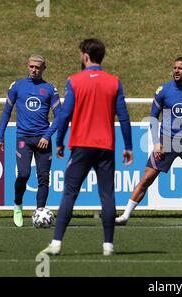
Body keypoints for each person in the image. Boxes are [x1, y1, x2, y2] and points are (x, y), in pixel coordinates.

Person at [40, 38, 133, 256]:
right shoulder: (114, 81)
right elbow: (125, 117)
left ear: (85, 55)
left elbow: (64, 115)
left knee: (70, 194)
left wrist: (60, 141)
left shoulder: (75, 81)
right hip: (106, 147)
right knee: (107, 195)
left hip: (82, 145)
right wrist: (128, 145)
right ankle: (108, 246)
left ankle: (56, 243)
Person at [115, 57, 182, 227]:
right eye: (174, 68)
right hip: (167, 142)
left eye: (180, 68)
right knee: (146, 179)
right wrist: (157, 142)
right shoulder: (163, 90)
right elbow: (152, 117)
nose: (176, 71)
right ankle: (125, 215)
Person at [0, 54, 61, 227]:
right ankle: (17, 205)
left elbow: (60, 117)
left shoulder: (50, 89)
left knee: (44, 178)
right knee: (23, 174)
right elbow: (5, 113)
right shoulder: (17, 86)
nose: (34, 70)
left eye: (37, 67)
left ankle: (40, 212)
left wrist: (47, 136)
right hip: (23, 138)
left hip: (43, 140)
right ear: (27, 66)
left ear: (43, 69)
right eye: (31, 66)